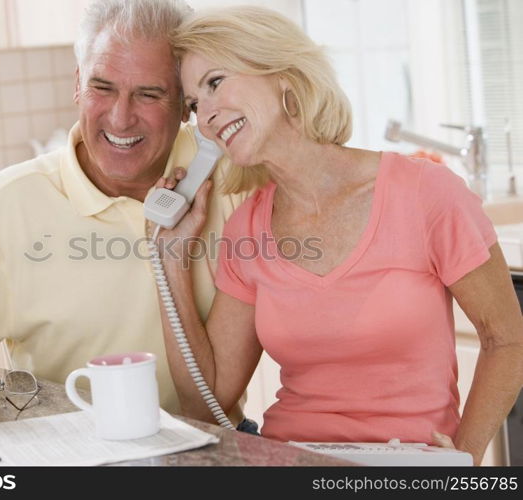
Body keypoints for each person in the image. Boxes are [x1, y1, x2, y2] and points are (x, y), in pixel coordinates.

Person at [153, 6, 523, 465]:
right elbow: (206, 400)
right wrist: (170, 259)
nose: (204, 117)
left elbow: (506, 338)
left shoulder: (427, 193)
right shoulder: (245, 229)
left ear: (281, 73)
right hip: (290, 461)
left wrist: (462, 458)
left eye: (214, 83)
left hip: (409, 467)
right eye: (193, 106)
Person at [0, 0, 249, 419]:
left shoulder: (233, 172)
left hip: (215, 452)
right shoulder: (7, 206)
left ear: (184, 105)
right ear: (77, 85)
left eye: (149, 94)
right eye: (102, 88)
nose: (121, 119)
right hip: (73, 459)